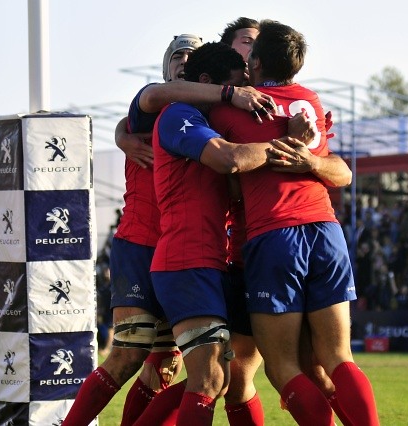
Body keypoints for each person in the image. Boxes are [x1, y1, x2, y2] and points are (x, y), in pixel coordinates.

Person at [63, 34, 274, 426]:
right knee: (131, 353)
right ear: (167, 67)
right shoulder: (156, 108)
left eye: (191, 57)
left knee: (171, 368)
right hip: (145, 245)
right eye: (178, 55)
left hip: (194, 253)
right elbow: (166, 100)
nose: (184, 61)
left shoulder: (206, 117)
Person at [209, 20, 379, 425]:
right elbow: (336, 169)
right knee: (338, 358)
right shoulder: (309, 101)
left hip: (275, 236)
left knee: (282, 367)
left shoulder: (229, 109)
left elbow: (228, 183)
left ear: (257, 60)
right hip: (325, 229)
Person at [144, 41, 319, 426]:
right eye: (241, 90)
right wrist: (287, 143)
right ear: (209, 83)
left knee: (227, 377)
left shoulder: (210, 123)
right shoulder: (178, 115)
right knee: (207, 378)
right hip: (185, 261)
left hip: (218, 262)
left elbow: (237, 183)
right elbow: (229, 160)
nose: (249, 98)